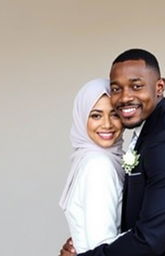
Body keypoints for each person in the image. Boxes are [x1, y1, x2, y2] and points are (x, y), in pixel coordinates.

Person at [60, 49, 165, 256]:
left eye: (136, 86)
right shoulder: (150, 132)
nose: (125, 97)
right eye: (116, 89)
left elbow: (149, 240)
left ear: (159, 87)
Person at [59, 78, 125, 253]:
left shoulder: (92, 160)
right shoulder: (99, 166)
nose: (107, 124)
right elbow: (103, 247)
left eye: (115, 114)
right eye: (96, 115)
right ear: (81, 118)